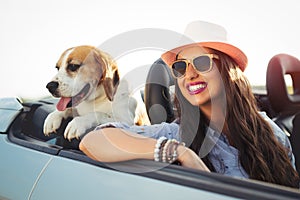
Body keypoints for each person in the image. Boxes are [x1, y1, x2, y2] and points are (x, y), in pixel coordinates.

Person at [79, 21, 300, 188]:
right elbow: (94, 141)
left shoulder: (271, 132)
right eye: (180, 67)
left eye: (202, 62)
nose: (190, 74)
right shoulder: (178, 134)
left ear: (227, 71)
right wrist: (180, 153)